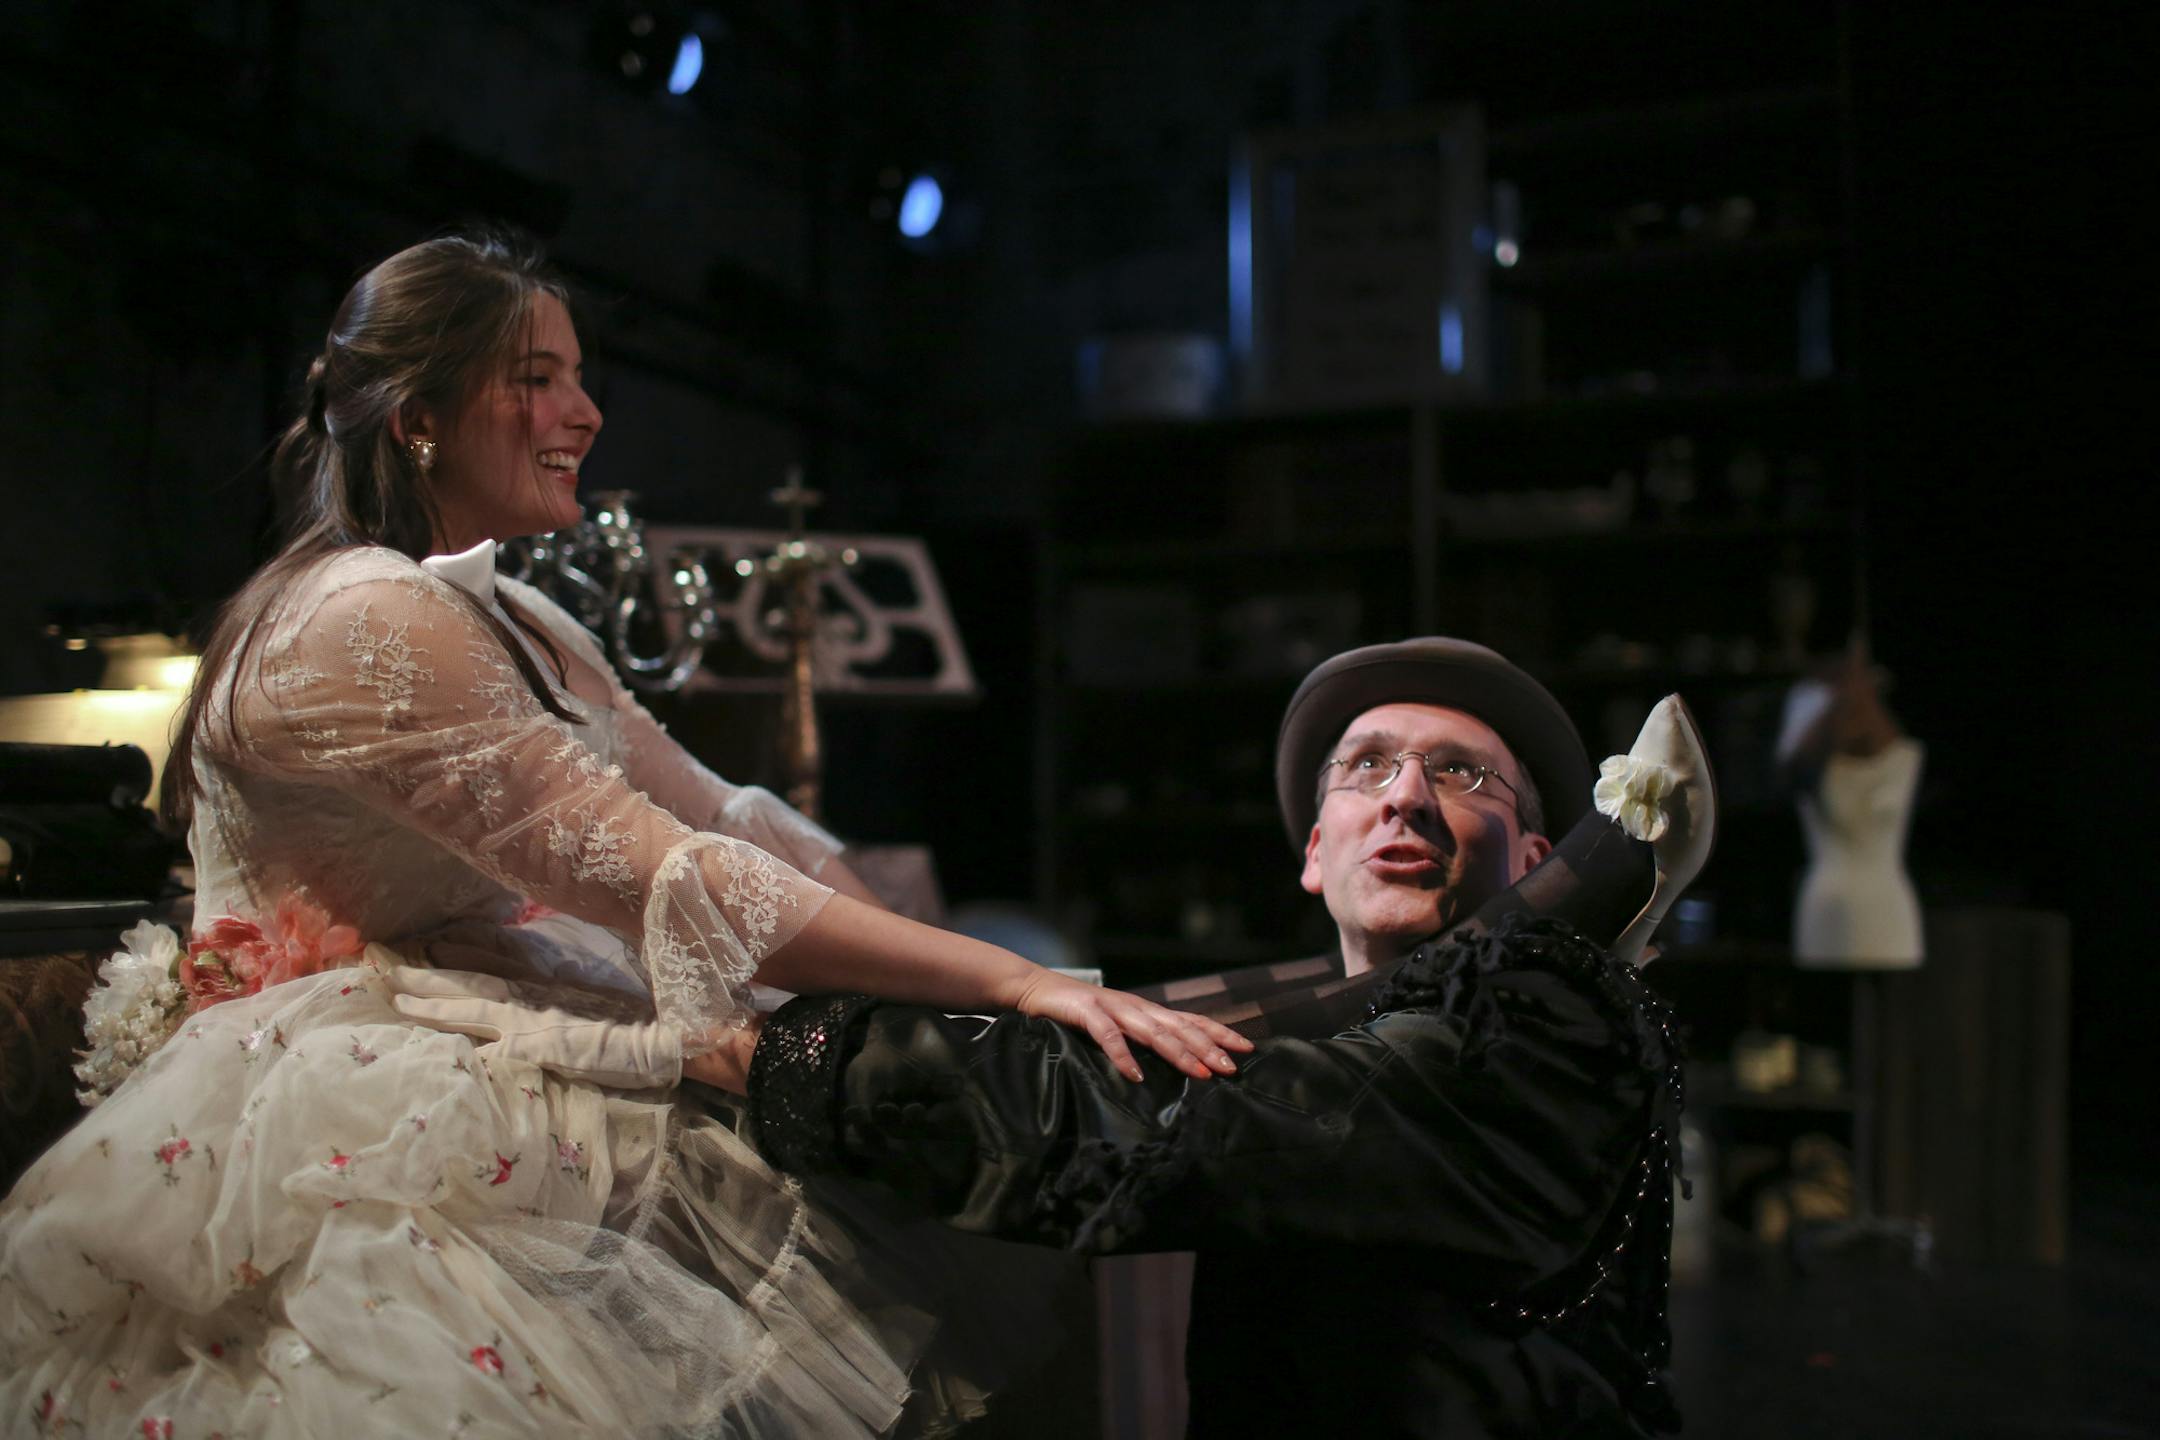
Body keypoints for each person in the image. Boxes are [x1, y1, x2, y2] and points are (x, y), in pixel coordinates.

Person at [0, 230, 1246, 1439]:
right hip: (343, 1090)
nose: (586, 413)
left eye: (580, 376)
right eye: (536, 379)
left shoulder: (522, 614)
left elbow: (719, 812)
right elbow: (670, 874)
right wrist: (1014, 980)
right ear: (419, 419)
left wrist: (966, 978)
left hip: (473, 1000)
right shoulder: (361, 616)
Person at [718, 640, 1716, 1437]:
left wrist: (779, 1054)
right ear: (1315, 854)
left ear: (1535, 857)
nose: (1406, 795)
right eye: (1367, 766)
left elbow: (1148, 1122)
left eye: (1461, 773)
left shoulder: (1541, 1027)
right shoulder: (1320, 1009)